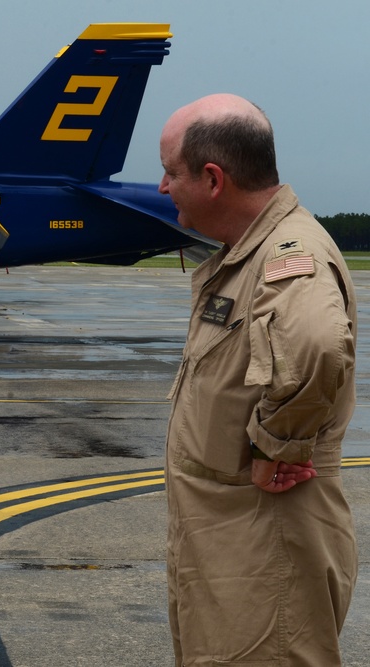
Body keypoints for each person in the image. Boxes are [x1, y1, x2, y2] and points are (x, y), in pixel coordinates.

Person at [159, 94, 358, 666]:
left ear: (213, 178)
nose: (162, 188)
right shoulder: (248, 253)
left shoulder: (289, 255)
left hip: (265, 546)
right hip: (231, 543)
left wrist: (280, 443)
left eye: (172, 172)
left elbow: (319, 341)